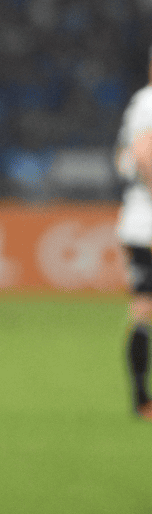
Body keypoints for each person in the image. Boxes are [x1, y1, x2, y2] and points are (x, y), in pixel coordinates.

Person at [115, 47, 152, 419]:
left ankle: (142, 400)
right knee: (144, 308)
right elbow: (142, 155)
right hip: (147, 221)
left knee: (143, 309)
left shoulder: (139, 103)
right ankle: (142, 399)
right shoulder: (149, 103)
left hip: (138, 222)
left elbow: (124, 158)